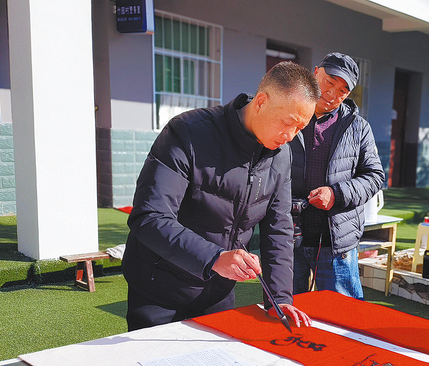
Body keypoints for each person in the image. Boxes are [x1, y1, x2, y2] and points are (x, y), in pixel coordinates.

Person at [123, 62, 317, 331]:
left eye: (300, 128)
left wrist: (279, 298)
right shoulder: (188, 132)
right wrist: (214, 258)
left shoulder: (281, 155)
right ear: (261, 102)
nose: (290, 136)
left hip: (218, 292)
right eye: (288, 123)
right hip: (160, 287)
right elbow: (149, 217)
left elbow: (279, 227)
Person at [289, 53, 385, 300]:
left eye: (343, 91)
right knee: (284, 312)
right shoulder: (288, 116)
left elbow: (375, 176)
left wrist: (336, 194)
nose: (332, 94)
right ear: (315, 72)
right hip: (288, 236)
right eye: (329, 82)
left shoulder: (358, 127)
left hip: (336, 242)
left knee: (342, 315)